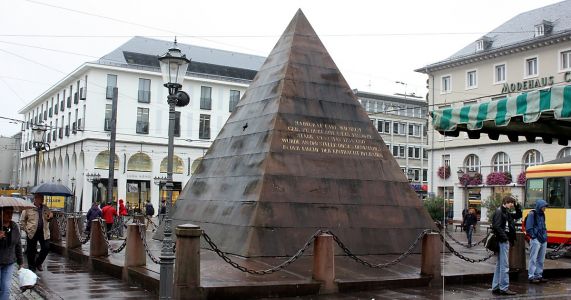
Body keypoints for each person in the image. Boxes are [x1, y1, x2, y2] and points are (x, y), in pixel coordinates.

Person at [491, 195, 522, 295]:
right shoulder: (500, 211)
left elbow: (518, 215)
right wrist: (505, 238)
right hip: (503, 241)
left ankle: (496, 287)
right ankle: (504, 288)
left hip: (503, 240)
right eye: (510, 203)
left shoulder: (505, 212)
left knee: (500, 264)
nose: (512, 204)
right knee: (504, 265)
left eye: (512, 203)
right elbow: (497, 226)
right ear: (505, 202)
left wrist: (517, 206)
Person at [20, 193, 53, 272]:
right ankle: (31, 267)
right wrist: (27, 230)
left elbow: (48, 219)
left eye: (43, 197)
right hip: (32, 232)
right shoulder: (28, 208)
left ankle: (38, 263)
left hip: (44, 232)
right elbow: (22, 221)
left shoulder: (45, 208)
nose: (43, 199)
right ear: (35, 198)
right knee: (31, 250)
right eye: (41, 197)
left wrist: (50, 217)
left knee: (46, 248)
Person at [0, 207, 23, 300]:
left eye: (12, 212)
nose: (10, 215)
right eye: (7, 212)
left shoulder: (14, 226)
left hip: (9, 262)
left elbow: (18, 244)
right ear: (1, 213)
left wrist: (20, 262)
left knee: (6, 288)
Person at [525, 199, 548, 284]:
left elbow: (544, 226)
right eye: (544, 206)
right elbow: (529, 228)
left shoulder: (543, 214)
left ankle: (538, 275)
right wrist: (534, 237)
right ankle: (531, 276)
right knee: (533, 259)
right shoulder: (532, 214)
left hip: (543, 239)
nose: (545, 208)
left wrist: (545, 236)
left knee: (541, 259)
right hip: (536, 239)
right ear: (540, 206)